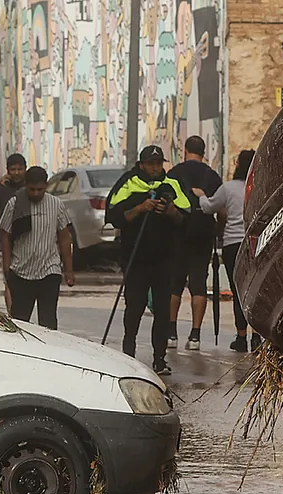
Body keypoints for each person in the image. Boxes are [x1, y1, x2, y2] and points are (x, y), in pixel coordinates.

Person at [106, 145, 191, 377]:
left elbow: (188, 217)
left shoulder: (173, 184)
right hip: (135, 257)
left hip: (164, 258)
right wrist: (140, 208)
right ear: (142, 164)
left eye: (158, 163)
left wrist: (171, 211)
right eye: (151, 164)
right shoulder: (129, 182)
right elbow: (113, 216)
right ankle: (128, 353)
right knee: (134, 306)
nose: (155, 168)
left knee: (163, 310)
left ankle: (160, 359)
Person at [0, 166, 75, 329]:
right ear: (26, 185)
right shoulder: (15, 204)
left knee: (48, 323)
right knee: (19, 323)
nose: (35, 193)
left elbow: (64, 236)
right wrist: (6, 266)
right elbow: (5, 235)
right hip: (21, 272)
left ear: (46, 186)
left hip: (49, 271)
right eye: (31, 189)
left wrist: (68, 270)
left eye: (40, 189)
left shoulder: (56, 205)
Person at [167, 135, 223, 352]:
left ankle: (171, 332)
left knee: (175, 284)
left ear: (184, 150)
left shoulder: (174, 174)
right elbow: (221, 210)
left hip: (177, 234)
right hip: (203, 235)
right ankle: (195, 335)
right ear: (204, 152)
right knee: (198, 284)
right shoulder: (212, 176)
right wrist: (219, 230)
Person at [202, 149, 260, 353]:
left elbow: (209, 206)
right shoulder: (259, 187)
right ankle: (256, 336)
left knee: (238, 292)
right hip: (255, 243)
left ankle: (241, 337)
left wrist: (200, 196)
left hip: (232, 244)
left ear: (237, 165)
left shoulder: (228, 189)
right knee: (254, 290)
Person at [0, 153, 28, 312]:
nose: (16, 173)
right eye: (13, 169)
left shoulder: (32, 188)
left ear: (25, 169)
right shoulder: (3, 189)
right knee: (9, 280)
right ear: (8, 171)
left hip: (29, 241)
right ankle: (13, 315)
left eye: (20, 169)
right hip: (6, 243)